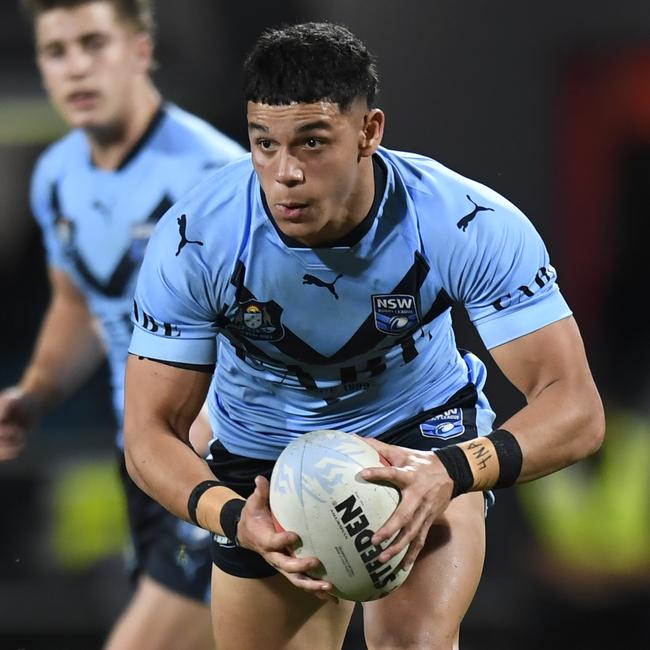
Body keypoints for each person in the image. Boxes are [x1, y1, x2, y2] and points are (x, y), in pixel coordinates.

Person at [123, 21, 605, 650]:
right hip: (262, 459)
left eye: (312, 142)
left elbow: (576, 409)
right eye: (263, 143)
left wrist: (452, 470)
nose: (285, 173)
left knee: (413, 642)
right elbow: (147, 434)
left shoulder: (462, 223)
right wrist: (235, 516)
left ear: (369, 133)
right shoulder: (196, 240)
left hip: (419, 439)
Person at [0, 1, 245, 648]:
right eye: (57, 51)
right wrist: (37, 393)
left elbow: (270, 322)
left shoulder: (216, 175)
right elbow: (79, 301)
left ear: (140, 52)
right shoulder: (57, 176)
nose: (75, 67)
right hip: (146, 461)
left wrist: (219, 424)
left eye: (94, 43)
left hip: (225, 463)